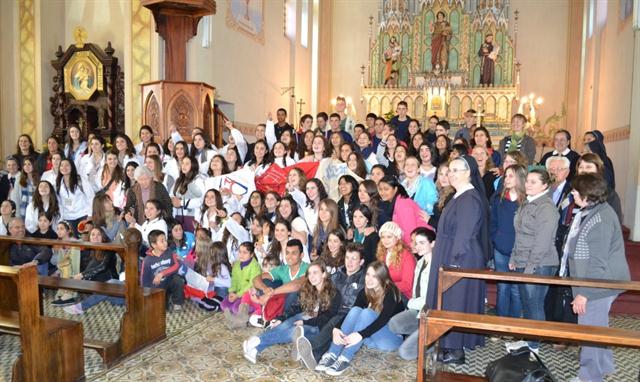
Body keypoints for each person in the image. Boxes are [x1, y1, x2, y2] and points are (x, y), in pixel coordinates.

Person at [564, 174, 630, 382]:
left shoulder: (600, 218)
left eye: (575, 190)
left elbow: (597, 263)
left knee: (589, 333)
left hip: (599, 284)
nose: (572, 193)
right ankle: (604, 366)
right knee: (599, 327)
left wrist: (585, 294)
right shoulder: (594, 211)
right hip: (600, 282)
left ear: (587, 193)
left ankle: (590, 377)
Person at [425, 156, 491, 365]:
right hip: (449, 252)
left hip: (460, 257)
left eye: (455, 170)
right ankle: (447, 343)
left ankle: (455, 350)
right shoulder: (458, 195)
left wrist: (454, 263)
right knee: (448, 301)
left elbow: (464, 233)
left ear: (468, 172)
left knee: (456, 301)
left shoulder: (470, 199)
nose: (450, 174)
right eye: (449, 170)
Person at [242, 260, 341, 368]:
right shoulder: (307, 288)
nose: (312, 276)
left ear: (324, 274)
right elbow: (296, 307)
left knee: (294, 331)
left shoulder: (333, 293)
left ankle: (257, 340)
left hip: (317, 325)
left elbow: (327, 318)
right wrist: (281, 318)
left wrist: (304, 322)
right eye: (309, 273)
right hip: (304, 316)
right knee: (283, 325)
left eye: (315, 272)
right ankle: (256, 349)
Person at [316, 261, 403, 376]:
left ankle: (345, 358)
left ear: (382, 278)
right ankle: (332, 354)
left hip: (391, 339)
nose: (369, 279)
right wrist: (336, 329)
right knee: (356, 310)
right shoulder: (364, 292)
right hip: (371, 338)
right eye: (368, 275)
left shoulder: (390, 292)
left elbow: (383, 320)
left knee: (367, 313)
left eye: (375, 276)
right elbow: (351, 314)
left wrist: (360, 334)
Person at [507, 168, 559, 354]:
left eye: (533, 182)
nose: (528, 184)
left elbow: (542, 242)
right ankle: (529, 341)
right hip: (523, 260)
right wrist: (514, 257)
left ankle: (534, 346)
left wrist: (530, 266)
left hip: (541, 263)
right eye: (527, 181)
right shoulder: (527, 203)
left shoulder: (546, 207)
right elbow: (519, 234)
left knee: (534, 303)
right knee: (527, 302)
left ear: (545, 185)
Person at [389, 227, 435, 360]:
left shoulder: (436, 265)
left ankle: (434, 341)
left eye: (422, 243)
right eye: (416, 243)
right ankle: (419, 333)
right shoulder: (420, 262)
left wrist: (410, 302)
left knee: (405, 352)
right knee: (394, 324)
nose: (417, 246)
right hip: (417, 309)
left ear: (432, 244)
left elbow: (430, 298)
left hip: (429, 311)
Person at [490, 164, 527, 318]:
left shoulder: (526, 201)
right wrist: (496, 238)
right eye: (506, 175)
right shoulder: (498, 198)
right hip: (500, 248)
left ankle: (513, 324)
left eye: (511, 175)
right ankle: (500, 323)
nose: (507, 179)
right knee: (503, 287)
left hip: (518, 250)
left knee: (516, 290)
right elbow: (493, 222)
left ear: (520, 178)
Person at [61, 227, 123, 315]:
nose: (95, 237)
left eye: (99, 235)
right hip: (101, 289)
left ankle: (80, 307)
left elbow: (103, 267)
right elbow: (84, 266)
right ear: (89, 237)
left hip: (113, 290)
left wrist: (83, 275)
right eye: (93, 234)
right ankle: (70, 294)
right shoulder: (90, 249)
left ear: (103, 237)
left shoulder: (109, 250)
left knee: (107, 281)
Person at [251, 239, 309, 325]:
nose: (289, 256)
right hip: (282, 302)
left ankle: (272, 317)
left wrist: (270, 294)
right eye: (287, 253)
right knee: (265, 282)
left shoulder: (308, 268)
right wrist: (265, 289)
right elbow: (256, 279)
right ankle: (270, 316)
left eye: (294, 253)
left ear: (301, 255)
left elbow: (296, 285)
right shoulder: (283, 269)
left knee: (295, 292)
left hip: (301, 305)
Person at [377, 175, 431, 246]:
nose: (383, 193)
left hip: (422, 243)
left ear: (395, 189)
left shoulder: (402, 203)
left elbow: (410, 231)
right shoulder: (398, 202)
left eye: (386, 189)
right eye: (380, 189)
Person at [140, 230, 185, 311]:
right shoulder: (147, 260)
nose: (165, 243)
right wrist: (146, 295)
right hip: (157, 287)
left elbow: (176, 265)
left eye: (165, 240)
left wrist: (162, 273)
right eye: (162, 241)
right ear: (154, 245)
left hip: (169, 280)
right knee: (161, 310)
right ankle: (166, 296)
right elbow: (144, 280)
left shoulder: (169, 252)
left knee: (178, 280)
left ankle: (177, 302)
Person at [221, 241, 262, 328]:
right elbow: (234, 280)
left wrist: (238, 295)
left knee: (235, 308)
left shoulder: (255, 266)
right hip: (237, 293)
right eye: (240, 252)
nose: (241, 255)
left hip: (248, 295)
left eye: (245, 252)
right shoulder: (236, 264)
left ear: (251, 254)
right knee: (223, 305)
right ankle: (236, 317)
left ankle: (248, 314)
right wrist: (232, 292)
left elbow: (251, 284)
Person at [376, 221, 416, 301]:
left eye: (389, 237)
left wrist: (385, 287)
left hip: (403, 296)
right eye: (383, 237)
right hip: (385, 293)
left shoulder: (407, 256)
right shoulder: (382, 254)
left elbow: (407, 285)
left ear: (397, 237)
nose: (385, 240)